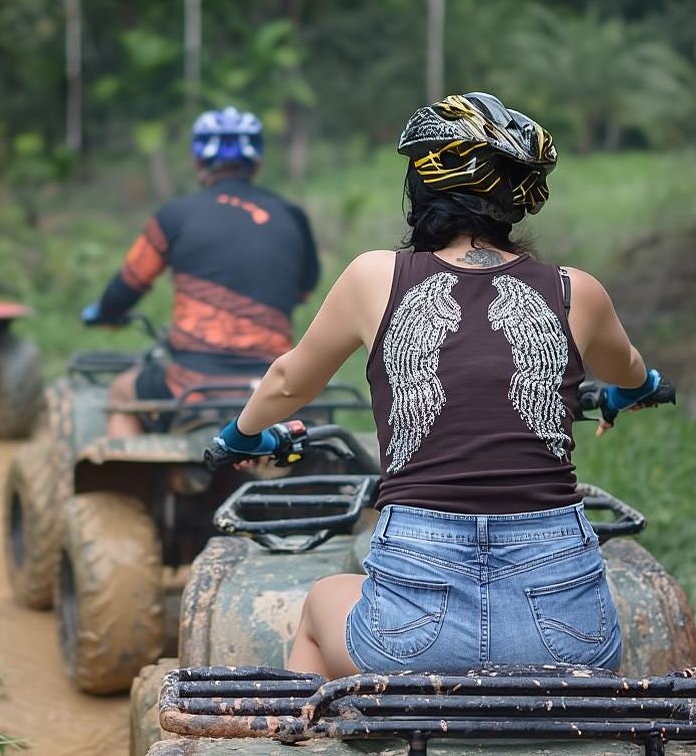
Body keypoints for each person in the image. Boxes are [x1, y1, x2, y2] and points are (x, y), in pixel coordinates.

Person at [209, 93, 668, 679]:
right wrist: (638, 388)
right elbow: (628, 367)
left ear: (421, 186)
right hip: (566, 641)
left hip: (412, 638)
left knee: (321, 602)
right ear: (516, 197)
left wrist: (240, 437)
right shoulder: (576, 290)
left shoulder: (375, 276)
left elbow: (286, 381)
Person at [82, 106, 320, 437]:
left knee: (122, 391)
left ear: (197, 160)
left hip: (188, 383)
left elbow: (129, 284)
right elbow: (304, 290)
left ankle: (127, 487)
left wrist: (106, 313)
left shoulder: (174, 215)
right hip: (273, 384)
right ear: (258, 161)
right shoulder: (293, 217)